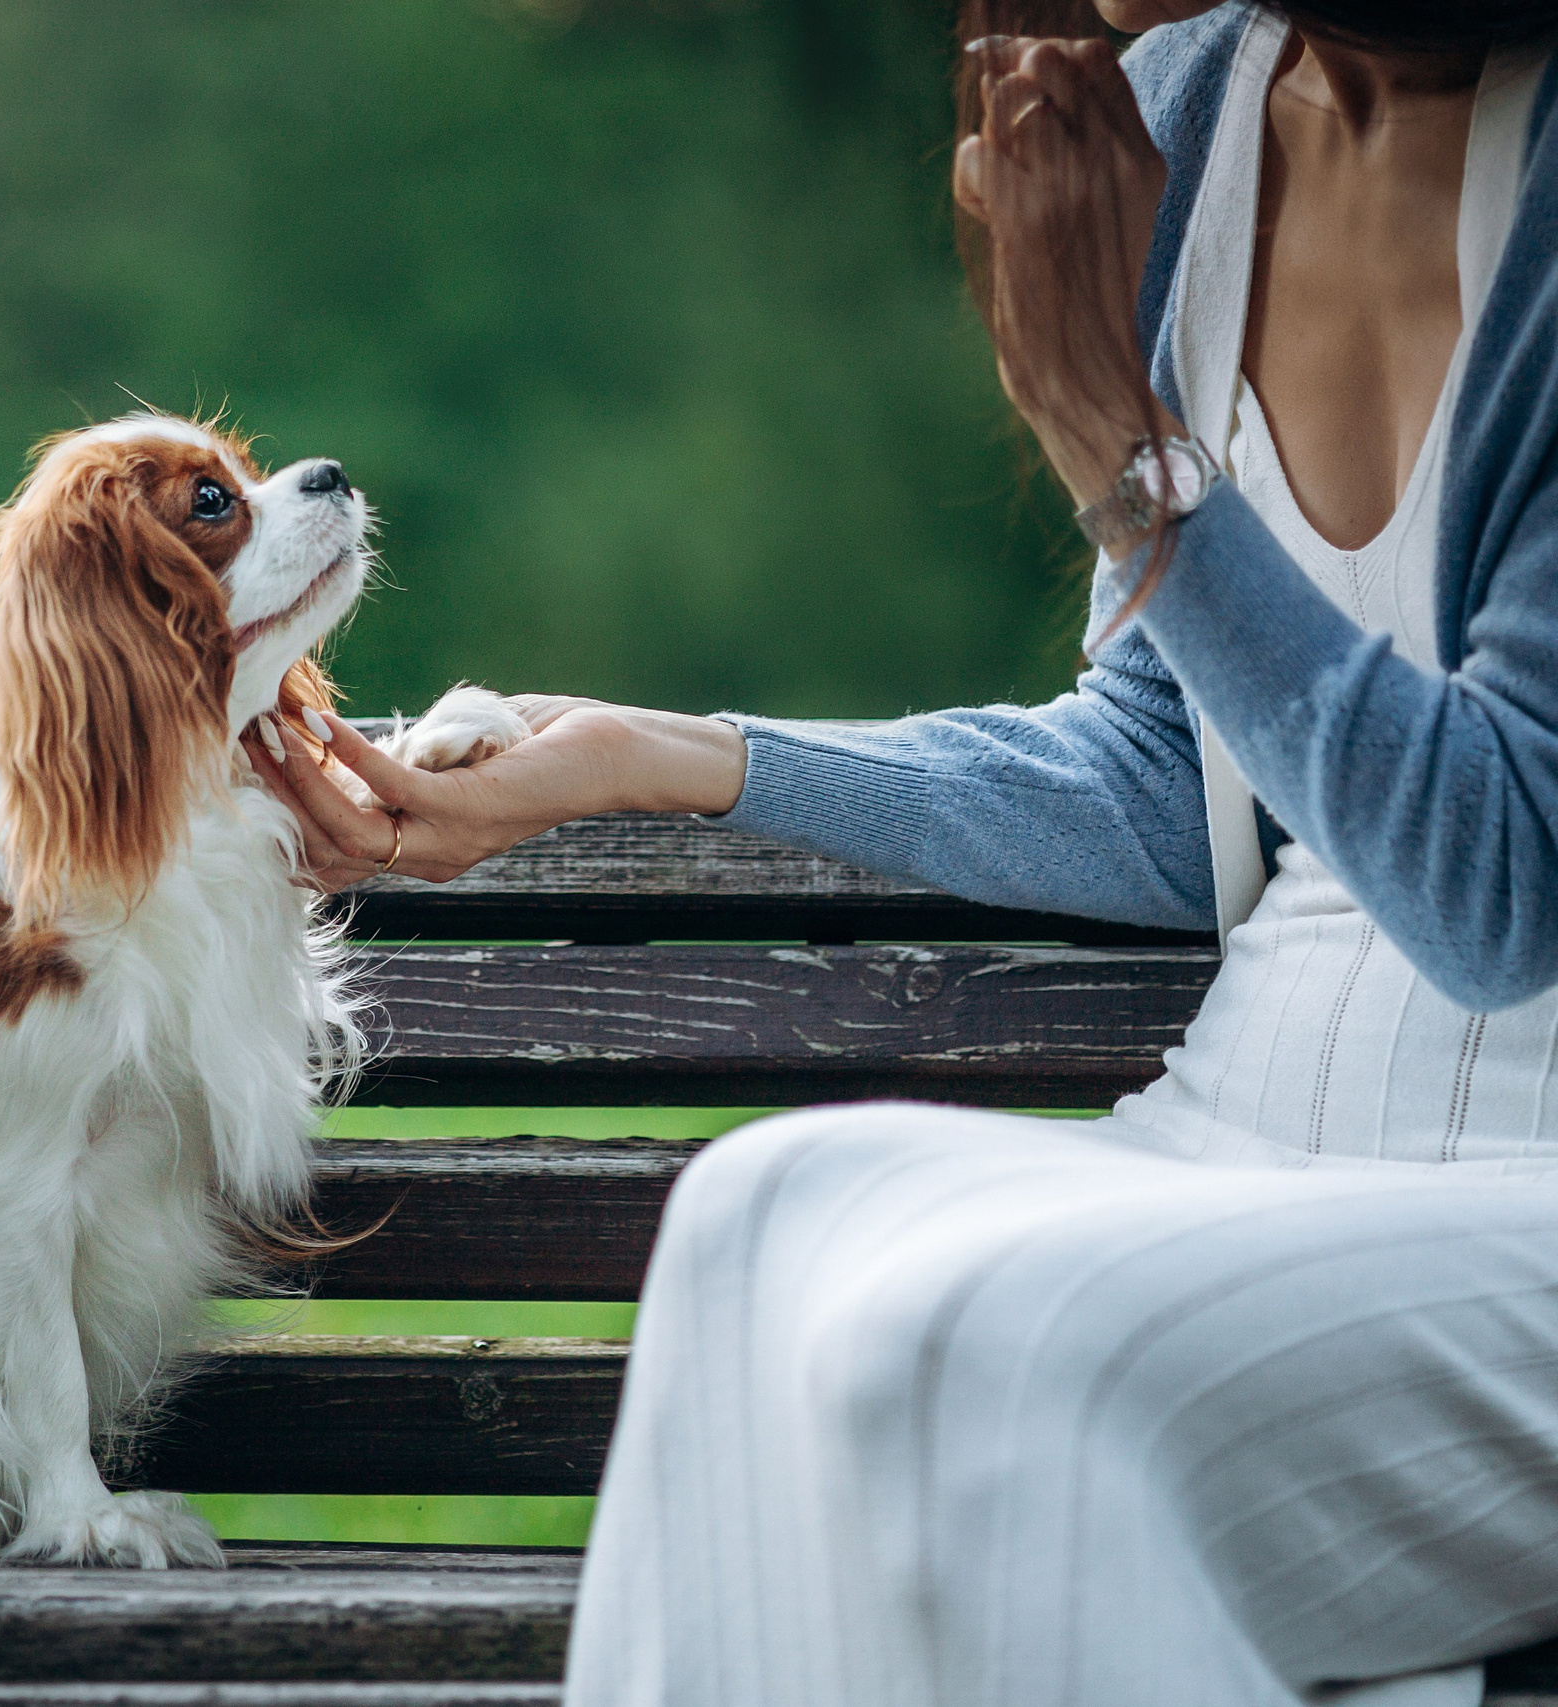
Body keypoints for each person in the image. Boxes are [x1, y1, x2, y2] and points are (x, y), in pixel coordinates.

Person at [247, 2, 1558, 1702]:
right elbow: (1175, 779)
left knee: (999, 1346)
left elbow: (1498, 883)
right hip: (1246, 1135)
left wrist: (1121, 450)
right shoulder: (1189, 123)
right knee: (757, 1219)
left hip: (1517, 1187)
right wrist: (661, 758)